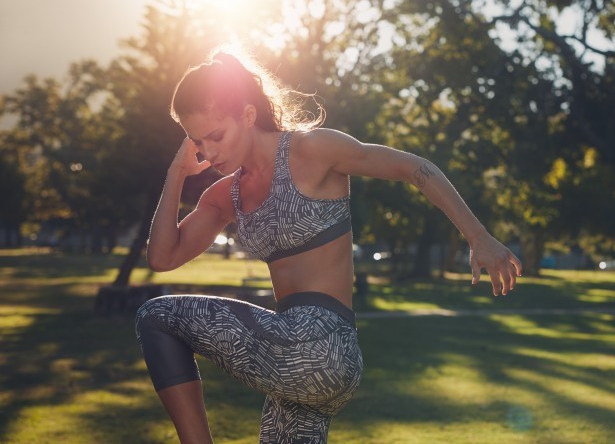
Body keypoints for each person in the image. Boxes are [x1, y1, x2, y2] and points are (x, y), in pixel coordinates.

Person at [135, 49, 522, 444]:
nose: (209, 152)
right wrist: (177, 172)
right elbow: (163, 257)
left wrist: (478, 237)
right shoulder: (225, 196)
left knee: (156, 315)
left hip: (321, 344)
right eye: (197, 141)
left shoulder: (311, 150)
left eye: (216, 136)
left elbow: (414, 167)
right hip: (299, 359)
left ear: (248, 115)